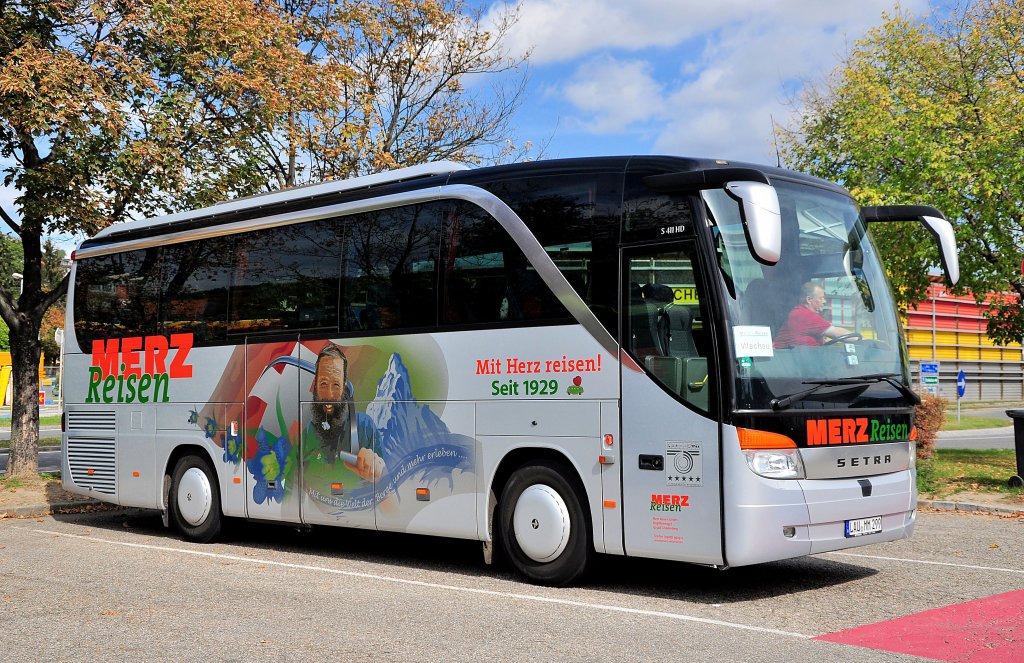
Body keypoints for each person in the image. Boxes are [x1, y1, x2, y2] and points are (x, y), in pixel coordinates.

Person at [310, 343, 386, 481]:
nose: (329, 394)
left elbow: (386, 476)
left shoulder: (364, 426)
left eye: (336, 384)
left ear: (344, 388)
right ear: (315, 386)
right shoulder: (308, 432)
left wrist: (377, 467)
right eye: (323, 384)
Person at [774, 282, 851, 348]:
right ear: (809, 299)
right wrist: (858, 339)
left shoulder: (800, 313)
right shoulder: (804, 315)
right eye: (821, 298)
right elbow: (837, 333)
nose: (824, 301)